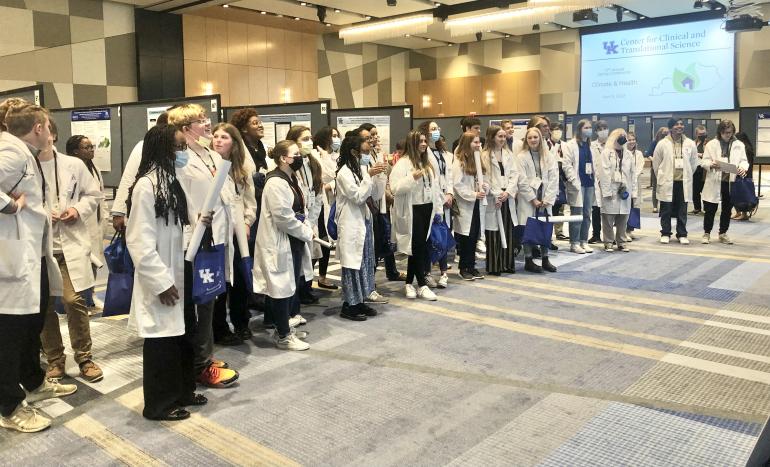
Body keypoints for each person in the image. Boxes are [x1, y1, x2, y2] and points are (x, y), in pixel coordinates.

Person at [0, 102, 77, 433]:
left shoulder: (23, 152)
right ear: (39, 128)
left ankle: (33, 379)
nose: (50, 131)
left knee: (32, 325)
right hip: (13, 261)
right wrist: (8, 205)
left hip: (32, 257)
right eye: (47, 125)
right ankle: (8, 405)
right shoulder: (11, 152)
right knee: (10, 336)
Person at [126, 124, 208, 422]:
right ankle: (159, 405)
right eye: (178, 148)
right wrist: (160, 282)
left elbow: (179, 228)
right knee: (162, 343)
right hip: (161, 277)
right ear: (162, 149)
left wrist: (200, 221)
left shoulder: (174, 180)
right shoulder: (147, 186)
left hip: (180, 269)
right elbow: (138, 240)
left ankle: (184, 391)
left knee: (184, 335)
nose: (183, 153)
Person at [168, 104, 239, 388]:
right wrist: (191, 218)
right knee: (199, 303)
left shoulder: (210, 154)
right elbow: (177, 197)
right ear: (185, 129)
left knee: (210, 300)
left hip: (216, 237)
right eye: (201, 121)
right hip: (193, 240)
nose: (208, 124)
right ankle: (199, 364)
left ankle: (205, 355)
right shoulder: (179, 159)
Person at [38, 122, 104, 382]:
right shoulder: (24, 165)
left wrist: (76, 210)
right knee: (44, 306)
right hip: (40, 249)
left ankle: (84, 357)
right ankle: (55, 358)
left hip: (69, 244)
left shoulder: (72, 165)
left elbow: (93, 194)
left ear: (53, 134)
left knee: (73, 301)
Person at [252, 140, 313, 350]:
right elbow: (283, 217)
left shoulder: (290, 178)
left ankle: (284, 328)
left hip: (291, 241)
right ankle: (283, 336)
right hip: (280, 241)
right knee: (281, 288)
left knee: (289, 286)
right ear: (282, 159)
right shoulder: (275, 182)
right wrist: (306, 232)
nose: (299, 158)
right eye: (295, 154)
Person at [210, 123, 257, 345]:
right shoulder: (207, 166)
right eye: (215, 136)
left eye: (224, 137)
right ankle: (219, 327)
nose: (218, 140)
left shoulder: (241, 170)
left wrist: (247, 222)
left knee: (239, 279)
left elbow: (250, 202)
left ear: (234, 142)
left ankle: (241, 322)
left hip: (238, 233)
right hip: (215, 234)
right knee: (218, 282)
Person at [335, 134, 386, 321]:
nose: (369, 146)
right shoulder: (344, 173)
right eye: (365, 145)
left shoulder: (360, 168)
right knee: (352, 265)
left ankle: (360, 300)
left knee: (364, 262)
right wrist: (369, 175)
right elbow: (357, 197)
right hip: (350, 224)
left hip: (363, 222)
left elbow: (374, 193)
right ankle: (349, 305)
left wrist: (378, 176)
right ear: (354, 151)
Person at [391, 130, 442, 300]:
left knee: (419, 247)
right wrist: (411, 178)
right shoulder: (403, 164)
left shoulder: (426, 162)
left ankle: (408, 283)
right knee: (416, 248)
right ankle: (421, 284)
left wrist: (438, 209)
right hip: (412, 210)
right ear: (412, 143)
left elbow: (434, 188)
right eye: (420, 141)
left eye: (424, 141)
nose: (424, 144)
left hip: (427, 208)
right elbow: (395, 189)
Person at [112, 109, 173, 233]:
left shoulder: (182, 148)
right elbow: (129, 177)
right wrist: (119, 212)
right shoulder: (144, 146)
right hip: (148, 206)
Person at [66, 135, 106, 311]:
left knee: (95, 260)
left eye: (92, 146)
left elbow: (99, 195)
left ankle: (92, 295)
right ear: (75, 151)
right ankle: (83, 299)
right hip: (79, 223)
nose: (91, 150)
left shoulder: (94, 168)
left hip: (96, 222)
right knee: (82, 262)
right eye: (86, 147)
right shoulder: (70, 169)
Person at [286, 125, 323, 310]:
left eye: (310, 138)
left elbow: (317, 193)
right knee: (297, 260)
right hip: (297, 219)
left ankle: (306, 289)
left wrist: (313, 220)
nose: (310, 142)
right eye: (305, 139)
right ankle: (297, 294)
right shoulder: (289, 167)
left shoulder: (313, 162)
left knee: (309, 257)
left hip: (311, 216)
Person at [515, 127, 558, 273]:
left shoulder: (548, 156)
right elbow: (521, 180)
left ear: (540, 138)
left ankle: (545, 259)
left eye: (535, 137)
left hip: (545, 199)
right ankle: (528, 260)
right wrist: (533, 199)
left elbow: (554, 178)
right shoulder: (521, 157)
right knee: (529, 229)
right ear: (526, 140)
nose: (533, 140)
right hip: (528, 200)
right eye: (530, 138)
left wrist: (547, 198)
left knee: (545, 227)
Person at [701, 120, 748, 245]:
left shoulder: (739, 144)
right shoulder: (711, 144)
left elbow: (744, 160)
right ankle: (707, 233)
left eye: (730, 132)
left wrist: (743, 167)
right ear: (720, 132)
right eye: (725, 132)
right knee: (711, 208)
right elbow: (704, 161)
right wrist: (711, 164)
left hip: (730, 182)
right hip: (715, 180)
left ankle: (723, 233)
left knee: (727, 209)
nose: (727, 135)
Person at [653, 118, 700, 244]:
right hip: (668, 181)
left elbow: (694, 163)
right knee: (666, 209)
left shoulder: (690, 143)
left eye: (681, 124)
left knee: (682, 210)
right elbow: (656, 164)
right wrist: (663, 176)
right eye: (676, 124)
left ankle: (682, 233)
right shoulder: (662, 143)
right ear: (670, 128)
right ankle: (665, 233)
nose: (680, 126)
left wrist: (687, 175)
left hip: (683, 182)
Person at [419, 121, 454, 287]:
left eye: (437, 128)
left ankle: (444, 273)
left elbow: (448, 176)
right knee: (431, 238)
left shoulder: (443, 152)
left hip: (445, 198)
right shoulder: (424, 153)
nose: (436, 131)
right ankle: (427, 273)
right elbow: (431, 180)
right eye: (433, 129)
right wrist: (441, 197)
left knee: (443, 236)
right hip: (432, 200)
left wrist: (449, 193)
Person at [482, 125, 518, 275]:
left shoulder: (509, 154)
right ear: (492, 137)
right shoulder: (484, 156)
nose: (503, 139)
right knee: (494, 233)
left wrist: (508, 192)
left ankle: (507, 264)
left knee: (508, 231)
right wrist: (497, 194)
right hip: (493, 199)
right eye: (500, 136)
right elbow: (484, 179)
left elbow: (515, 175)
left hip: (507, 198)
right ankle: (495, 266)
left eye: (504, 136)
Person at [452, 132, 487, 281]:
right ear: (467, 143)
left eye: (479, 142)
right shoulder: (459, 161)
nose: (479, 145)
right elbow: (457, 185)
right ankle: (463, 268)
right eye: (475, 142)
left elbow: (484, 178)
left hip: (477, 204)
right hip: (466, 204)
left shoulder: (477, 160)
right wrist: (473, 194)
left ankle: (472, 266)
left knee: (474, 237)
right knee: (466, 237)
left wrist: (485, 187)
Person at [597, 129, 637, 252]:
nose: (623, 138)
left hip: (624, 190)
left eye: (624, 136)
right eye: (620, 136)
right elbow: (603, 173)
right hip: (611, 189)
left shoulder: (628, 154)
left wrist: (634, 192)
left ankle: (621, 241)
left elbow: (633, 174)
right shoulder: (606, 153)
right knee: (608, 218)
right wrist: (607, 191)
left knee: (623, 217)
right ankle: (608, 242)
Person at [561, 119, 596, 254]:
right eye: (586, 127)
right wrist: (573, 180)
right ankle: (574, 242)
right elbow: (566, 165)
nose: (589, 129)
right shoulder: (571, 145)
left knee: (587, 214)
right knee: (577, 214)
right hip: (577, 184)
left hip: (589, 183)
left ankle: (584, 241)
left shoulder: (590, 145)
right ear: (579, 129)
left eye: (590, 127)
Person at [312, 126, 339, 290]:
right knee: (320, 240)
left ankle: (322, 277)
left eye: (337, 135)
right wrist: (328, 185)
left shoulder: (334, 155)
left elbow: (336, 176)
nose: (336, 139)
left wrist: (331, 185)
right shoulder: (317, 154)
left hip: (330, 202)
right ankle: (309, 280)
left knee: (327, 241)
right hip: (319, 202)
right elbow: (326, 175)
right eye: (333, 136)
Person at [588, 120, 609, 244]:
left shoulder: (612, 145)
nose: (603, 131)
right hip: (595, 180)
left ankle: (609, 236)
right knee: (595, 209)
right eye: (600, 129)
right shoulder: (591, 145)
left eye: (605, 128)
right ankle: (596, 234)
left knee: (609, 210)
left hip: (609, 181)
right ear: (596, 131)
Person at [549, 121, 568, 242]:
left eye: (560, 129)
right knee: (552, 207)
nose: (558, 132)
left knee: (561, 206)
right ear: (550, 131)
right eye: (555, 129)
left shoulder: (565, 145)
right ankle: (548, 235)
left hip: (562, 178)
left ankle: (559, 231)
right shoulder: (547, 144)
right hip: (551, 178)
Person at [624, 132, 645, 241]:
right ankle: (623, 230)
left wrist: (633, 177)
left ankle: (630, 230)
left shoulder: (639, 154)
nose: (631, 141)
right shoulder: (623, 153)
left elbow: (639, 167)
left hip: (635, 183)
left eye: (633, 139)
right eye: (629, 139)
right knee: (625, 207)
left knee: (634, 207)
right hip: (625, 183)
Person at [733, 132, 756, 221]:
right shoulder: (744, 148)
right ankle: (739, 212)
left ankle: (744, 214)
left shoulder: (747, 149)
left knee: (743, 195)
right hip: (741, 173)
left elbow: (747, 164)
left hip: (745, 175)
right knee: (738, 194)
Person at [646, 127, 669, 213]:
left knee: (665, 187)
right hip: (656, 168)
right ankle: (655, 206)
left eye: (667, 133)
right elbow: (648, 153)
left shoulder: (669, 143)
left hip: (666, 168)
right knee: (655, 187)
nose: (666, 134)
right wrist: (654, 160)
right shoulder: (655, 142)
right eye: (664, 133)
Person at [691, 125, 708, 215]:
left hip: (704, 169)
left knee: (704, 189)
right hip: (695, 168)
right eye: (700, 134)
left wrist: (699, 154)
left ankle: (706, 209)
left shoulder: (708, 143)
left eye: (704, 134)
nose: (702, 135)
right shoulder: (693, 143)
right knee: (695, 190)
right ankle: (697, 208)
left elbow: (709, 155)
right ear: (696, 134)